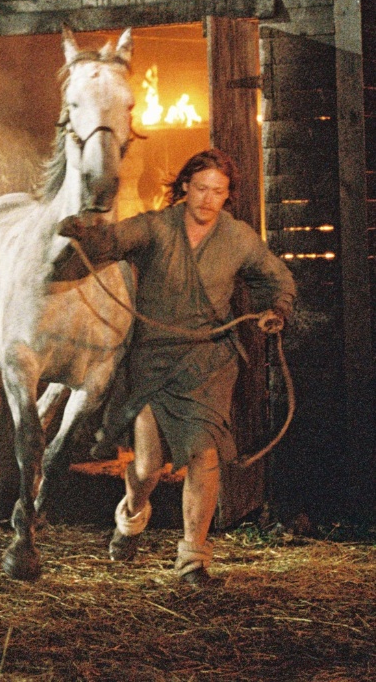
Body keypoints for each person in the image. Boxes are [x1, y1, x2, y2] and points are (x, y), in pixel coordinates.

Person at [56, 149, 295, 586]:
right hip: (154, 360)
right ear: (185, 186)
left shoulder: (238, 238)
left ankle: (193, 560)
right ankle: (130, 518)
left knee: (205, 455)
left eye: (217, 191)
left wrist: (276, 307)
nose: (207, 199)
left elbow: (275, 276)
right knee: (148, 467)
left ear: (227, 196)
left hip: (208, 361)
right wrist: (85, 234)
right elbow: (112, 241)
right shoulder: (155, 227)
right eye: (200, 188)